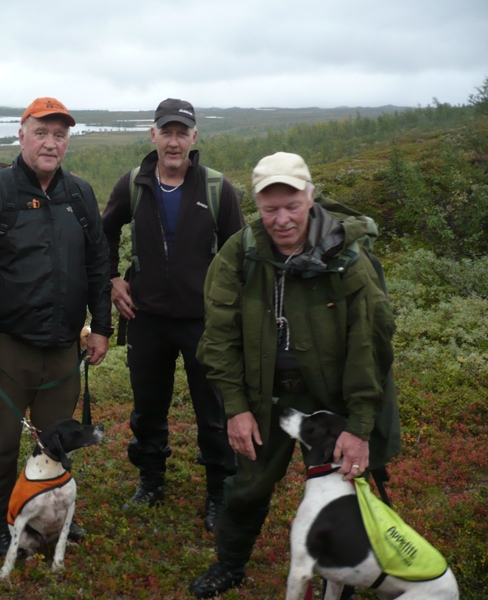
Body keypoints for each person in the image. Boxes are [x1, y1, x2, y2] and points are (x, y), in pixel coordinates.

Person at [189, 152, 401, 598]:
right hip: (263, 395)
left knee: (343, 492)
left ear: (311, 197)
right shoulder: (240, 252)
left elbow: (370, 344)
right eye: (270, 209)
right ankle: (229, 565)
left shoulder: (348, 257)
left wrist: (359, 426)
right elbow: (219, 337)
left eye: (293, 206)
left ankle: (337, 580)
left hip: (332, 400)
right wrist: (236, 408)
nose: (282, 220)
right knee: (247, 489)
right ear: (257, 206)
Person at [0, 97, 114, 557]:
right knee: (2, 447)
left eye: (59, 134)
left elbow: (99, 265)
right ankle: (0, 522)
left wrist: (100, 327)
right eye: (41, 132)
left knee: (57, 443)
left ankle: (55, 515)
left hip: (64, 347)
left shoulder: (78, 194)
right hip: (8, 348)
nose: (50, 142)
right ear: (21, 136)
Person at [101, 98, 244, 530]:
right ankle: (151, 481)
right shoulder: (133, 185)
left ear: (194, 137)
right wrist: (111, 279)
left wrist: (231, 313)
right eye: (167, 132)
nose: (174, 141)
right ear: (154, 136)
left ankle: (219, 491)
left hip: (204, 322)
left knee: (213, 411)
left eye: (183, 133)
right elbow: (104, 233)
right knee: (147, 408)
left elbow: (240, 255)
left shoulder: (218, 188)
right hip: (146, 318)